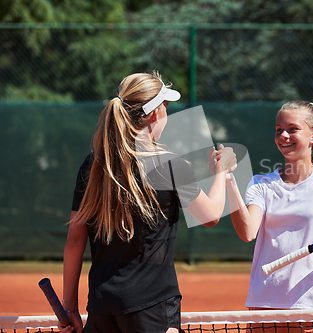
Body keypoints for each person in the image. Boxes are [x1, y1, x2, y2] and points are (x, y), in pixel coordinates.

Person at [60, 71, 236, 333]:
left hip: (101, 305)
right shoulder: (170, 164)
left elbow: (75, 239)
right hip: (152, 306)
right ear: (155, 114)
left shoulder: (94, 164)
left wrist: (70, 306)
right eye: (165, 106)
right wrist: (221, 174)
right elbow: (210, 216)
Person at [226, 101, 313, 332]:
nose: (283, 135)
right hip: (266, 307)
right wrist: (228, 181)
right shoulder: (261, 185)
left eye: (292, 129)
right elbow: (247, 232)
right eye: (279, 130)